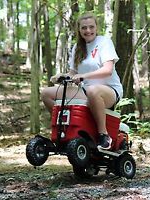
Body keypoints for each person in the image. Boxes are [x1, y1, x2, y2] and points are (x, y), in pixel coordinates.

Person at [41, 12, 123, 150]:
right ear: (79, 30)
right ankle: (63, 129)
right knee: (46, 94)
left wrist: (84, 76)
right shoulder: (77, 48)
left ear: (96, 27)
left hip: (109, 90)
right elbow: (74, 73)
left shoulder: (104, 42)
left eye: (91, 27)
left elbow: (108, 70)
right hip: (85, 90)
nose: (88, 31)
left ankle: (104, 135)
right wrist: (62, 76)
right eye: (84, 28)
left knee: (93, 90)